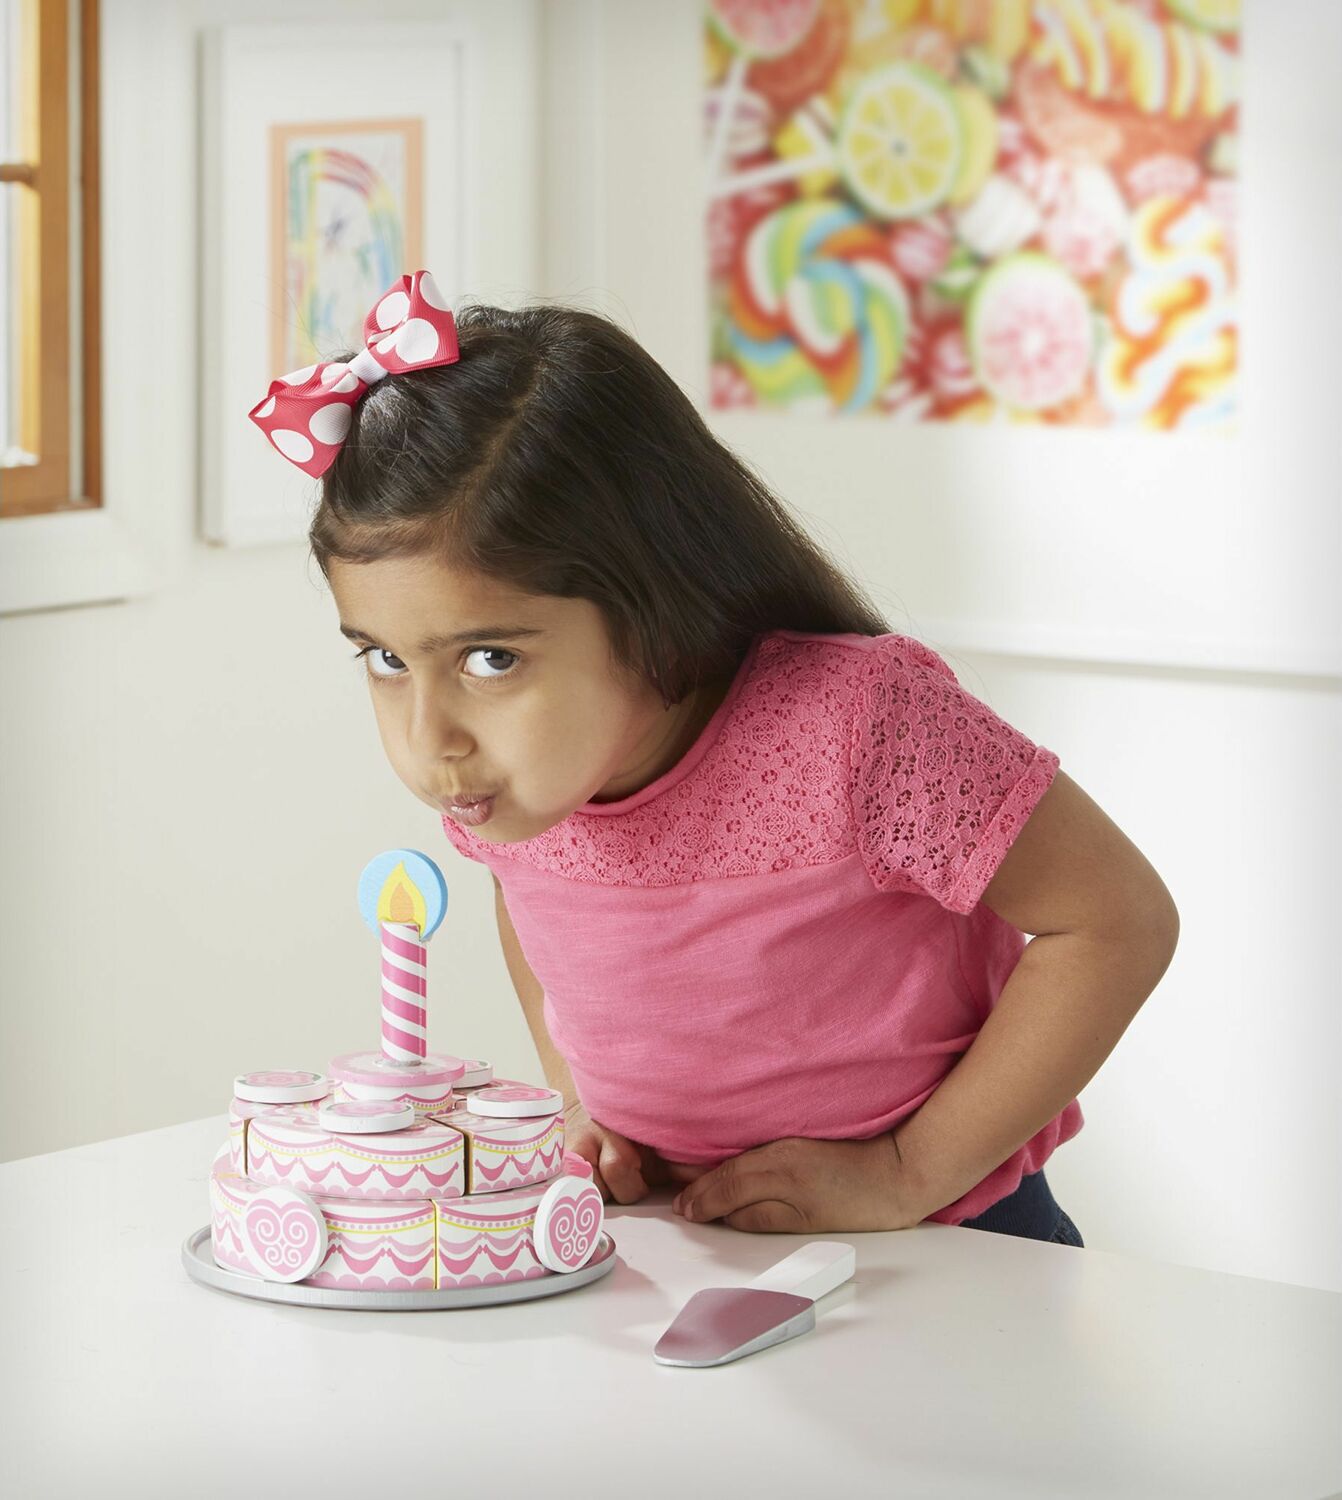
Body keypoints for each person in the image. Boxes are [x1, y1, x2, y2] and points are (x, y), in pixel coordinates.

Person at [251, 271, 1179, 1247]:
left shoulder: (862, 725)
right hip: (676, 1242)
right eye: (386, 659)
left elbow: (1114, 921)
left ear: (650, 603)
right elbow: (528, 903)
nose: (429, 737)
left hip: (939, 1248)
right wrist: (579, 1103)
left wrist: (911, 1171)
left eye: (492, 659)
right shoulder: (510, 777)